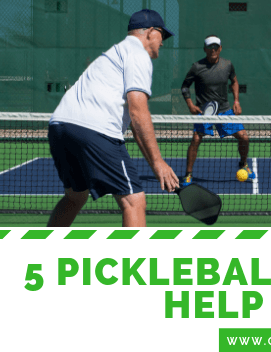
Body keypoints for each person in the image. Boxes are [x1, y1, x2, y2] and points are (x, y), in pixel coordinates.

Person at [46, 9, 178, 227]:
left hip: (60, 127)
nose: (163, 42)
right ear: (150, 32)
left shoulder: (113, 54)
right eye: (162, 35)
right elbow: (138, 110)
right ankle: (134, 261)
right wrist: (158, 162)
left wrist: (155, 163)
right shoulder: (138, 55)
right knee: (134, 201)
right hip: (96, 130)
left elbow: (135, 126)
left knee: (74, 197)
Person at [179, 35, 254, 187]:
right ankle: (188, 175)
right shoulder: (197, 67)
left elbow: (234, 82)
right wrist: (190, 105)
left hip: (225, 109)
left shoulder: (227, 65)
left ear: (220, 48)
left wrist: (237, 100)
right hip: (204, 111)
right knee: (195, 140)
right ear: (205, 49)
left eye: (215, 47)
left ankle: (243, 164)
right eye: (209, 47)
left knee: (244, 137)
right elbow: (185, 86)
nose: (213, 49)